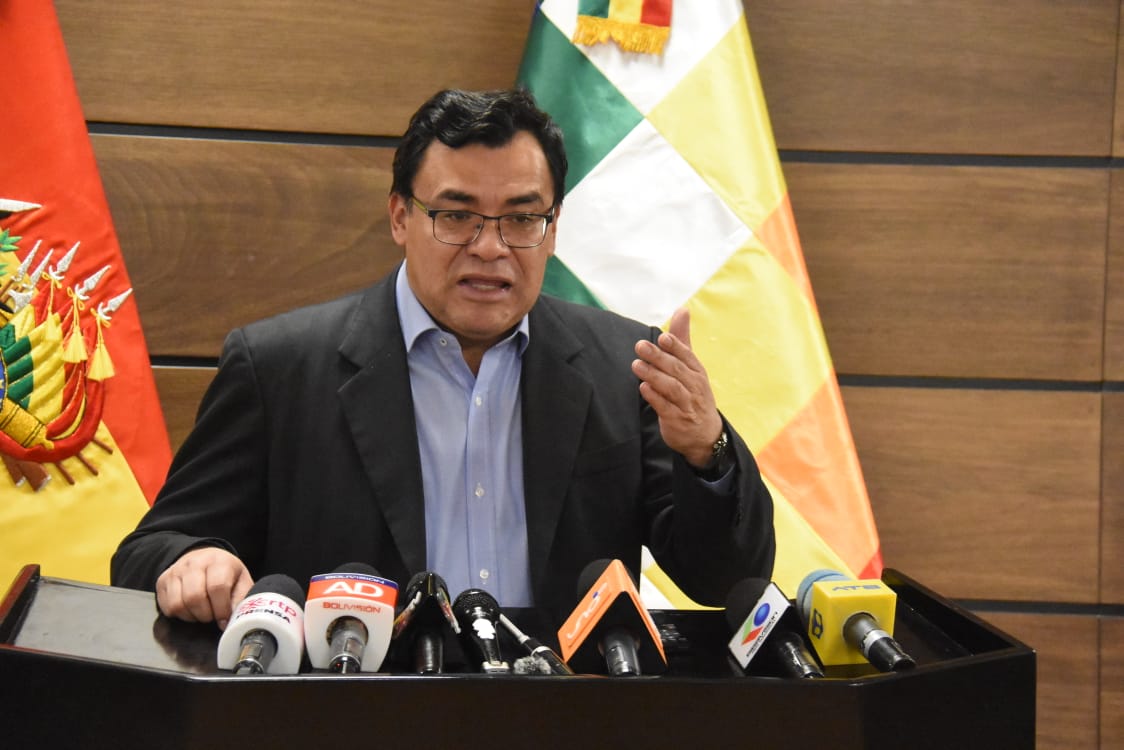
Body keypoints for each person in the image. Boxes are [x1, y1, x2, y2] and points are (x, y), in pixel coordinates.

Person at [111, 88, 775, 629]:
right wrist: (194, 560)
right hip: (353, 715)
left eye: (522, 218)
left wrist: (707, 452)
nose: (490, 247)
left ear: (553, 228)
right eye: (456, 216)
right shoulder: (280, 369)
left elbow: (725, 579)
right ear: (401, 217)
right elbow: (148, 552)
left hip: (562, 715)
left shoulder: (622, 367)